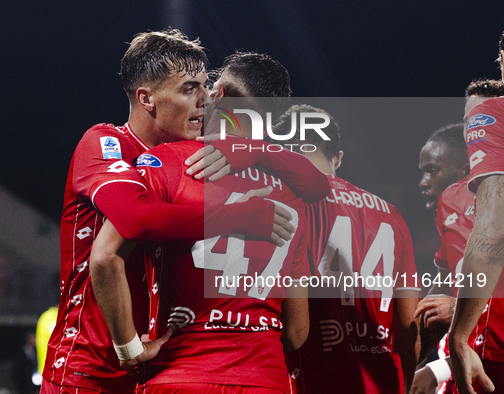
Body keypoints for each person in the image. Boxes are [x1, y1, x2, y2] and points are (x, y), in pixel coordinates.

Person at [42, 30, 289, 394]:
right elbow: (136, 219)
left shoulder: (187, 163)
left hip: (155, 366)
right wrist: (243, 216)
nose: (205, 100)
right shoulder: (105, 144)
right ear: (147, 99)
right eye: (190, 89)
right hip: (90, 368)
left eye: (206, 87)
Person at [90, 52, 330, 393]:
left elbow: (103, 258)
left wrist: (129, 348)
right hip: (266, 380)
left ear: (218, 94)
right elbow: (295, 333)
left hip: (182, 376)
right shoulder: (293, 193)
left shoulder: (167, 162)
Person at [281, 104, 420, 394]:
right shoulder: (392, 214)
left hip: (313, 378)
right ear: (338, 157)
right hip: (384, 380)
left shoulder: (287, 204)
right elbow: (408, 327)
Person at [411, 80, 504, 394]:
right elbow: (445, 277)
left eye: (483, 117)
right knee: (419, 382)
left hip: (486, 345)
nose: (474, 129)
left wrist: (460, 307)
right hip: (469, 346)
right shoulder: (450, 197)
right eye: (469, 121)